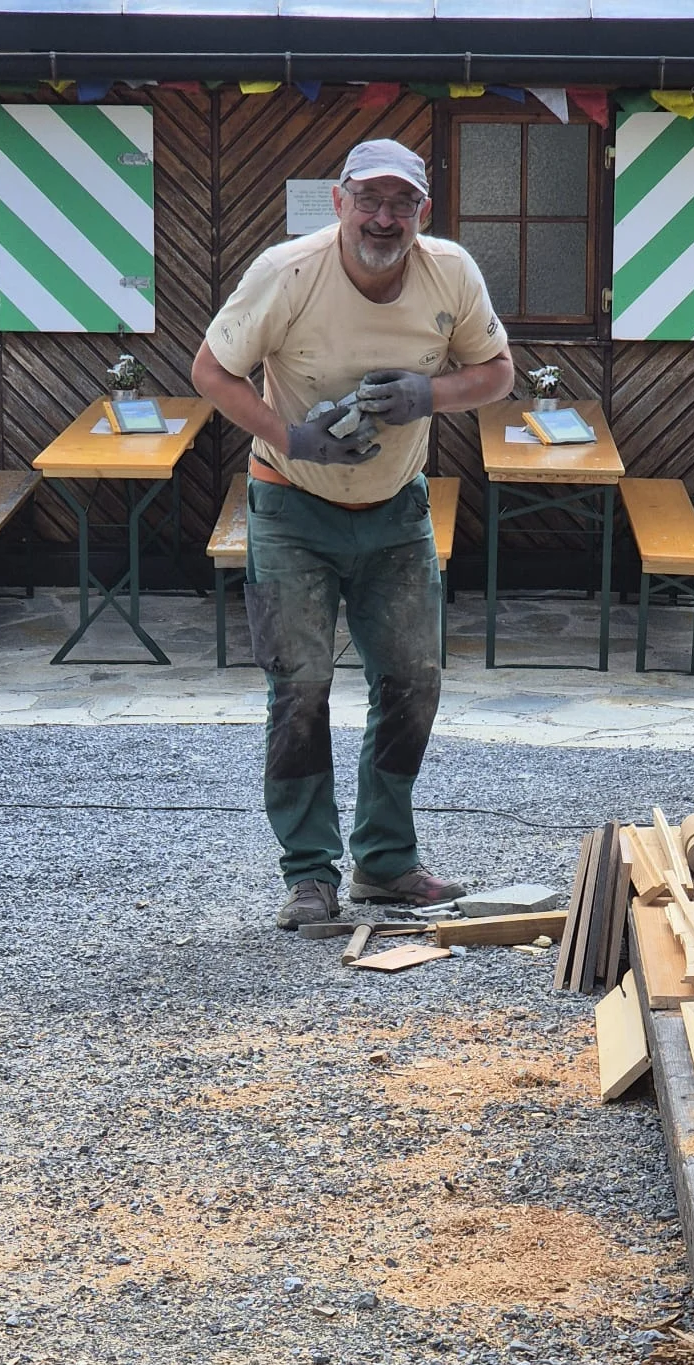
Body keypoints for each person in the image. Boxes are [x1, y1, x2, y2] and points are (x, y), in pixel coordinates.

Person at [192, 138, 514, 930]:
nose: (383, 218)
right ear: (339, 202)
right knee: (300, 686)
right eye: (368, 199)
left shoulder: (450, 272)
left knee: (412, 682)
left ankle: (385, 862)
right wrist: (293, 437)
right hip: (290, 506)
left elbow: (498, 372)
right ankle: (309, 875)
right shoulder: (287, 273)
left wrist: (427, 394)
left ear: (423, 212)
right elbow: (211, 371)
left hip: (396, 508)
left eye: (401, 203)